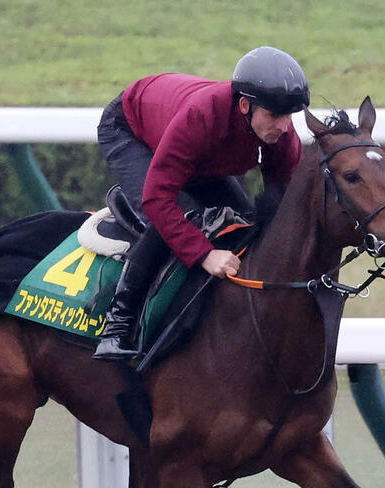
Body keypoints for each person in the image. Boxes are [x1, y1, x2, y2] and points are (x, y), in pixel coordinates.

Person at [92, 46, 310, 361]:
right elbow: (158, 199)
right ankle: (117, 325)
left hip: (198, 153)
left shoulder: (281, 134)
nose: (284, 126)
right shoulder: (201, 117)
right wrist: (204, 254)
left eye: (289, 115)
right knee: (166, 219)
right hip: (130, 129)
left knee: (244, 221)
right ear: (245, 106)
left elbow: (284, 202)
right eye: (275, 115)